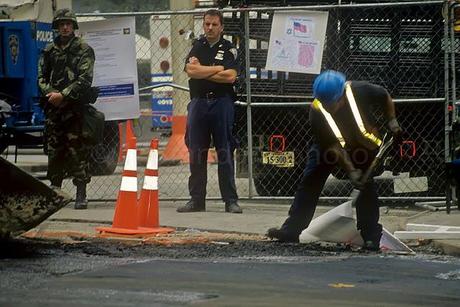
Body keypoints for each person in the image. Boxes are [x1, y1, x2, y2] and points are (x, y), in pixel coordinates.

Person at [267, 70, 403, 251]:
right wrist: (351, 171)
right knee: (310, 181)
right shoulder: (317, 110)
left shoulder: (361, 90)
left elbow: (384, 95)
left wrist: (392, 120)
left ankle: (371, 237)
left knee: (366, 187)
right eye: (325, 103)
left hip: (361, 145)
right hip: (329, 146)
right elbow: (333, 146)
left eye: (332, 103)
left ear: (341, 97)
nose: (328, 107)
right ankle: (291, 231)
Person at [176, 9, 242, 214]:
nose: (210, 28)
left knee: (224, 151)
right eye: (207, 24)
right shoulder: (198, 46)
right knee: (196, 152)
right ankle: (196, 200)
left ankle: (230, 200)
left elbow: (230, 77)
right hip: (198, 103)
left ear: (221, 27)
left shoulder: (229, 48)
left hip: (222, 103)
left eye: (214, 24)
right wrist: (216, 69)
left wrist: (202, 71)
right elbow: (190, 70)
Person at [38, 8, 96, 210]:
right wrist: (52, 94)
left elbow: (85, 79)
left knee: (77, 151)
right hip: (54, 110)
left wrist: (63, 95)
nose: (64, 27)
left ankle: (81, 194)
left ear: (73, 26)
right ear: (57, 27)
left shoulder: (83, 49)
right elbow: (41, 77)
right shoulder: (49, 50)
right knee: (54, 151)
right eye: (61, 24)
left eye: (68, 24)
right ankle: (55, 193)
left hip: (75, 110)